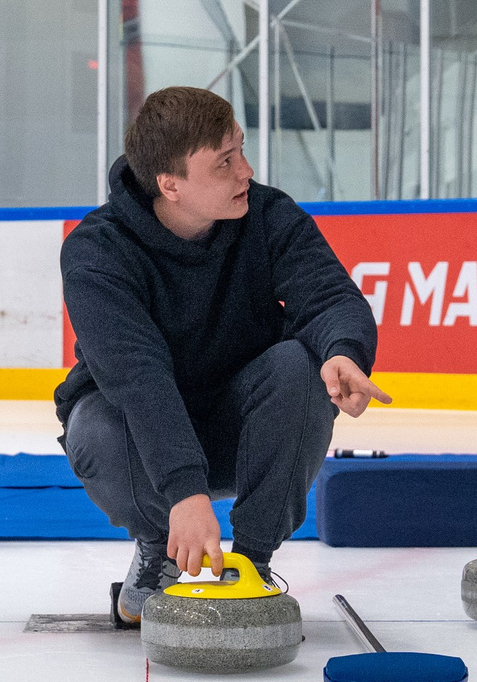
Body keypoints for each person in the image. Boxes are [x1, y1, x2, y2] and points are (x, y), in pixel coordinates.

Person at [58, 87, 388, 623]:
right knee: (93, 423)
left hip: (241, 427)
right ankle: (158, 545)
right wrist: (185, 492)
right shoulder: (97, 251)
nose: (245, 172)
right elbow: (137, 376)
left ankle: (251, 565)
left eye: (241, 150)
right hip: (144, 439)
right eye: (225, 162)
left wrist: (342, 350)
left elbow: (328, 295)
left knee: (299, 367)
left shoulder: (268, 214)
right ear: (171, 185)